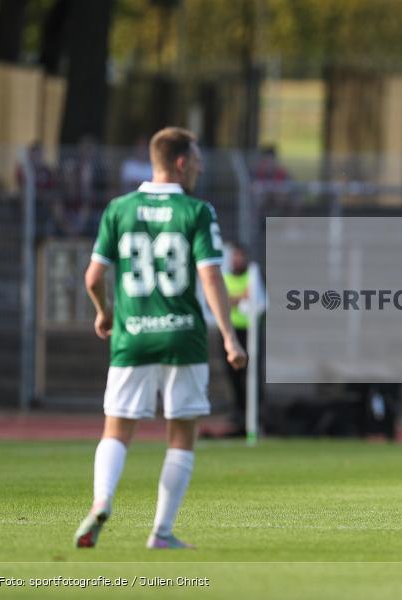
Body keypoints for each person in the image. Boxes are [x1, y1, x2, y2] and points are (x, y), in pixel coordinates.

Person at [74, 127, 247, 550]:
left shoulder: (119, 208)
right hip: (182, 339)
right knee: (182, 434)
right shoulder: (197, 211)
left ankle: (101, 501)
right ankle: (162, 532)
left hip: (131, 337)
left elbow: (94, 277)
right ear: (182, 163)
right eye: (199, 161)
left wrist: (105, 313)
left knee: (116, 429)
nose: (202, 168)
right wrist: (229, 336)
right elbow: (210, 276)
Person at [220, 242, 266, 436]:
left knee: (252, 376)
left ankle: (255, 418)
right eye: (234, 256)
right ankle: (238, 416)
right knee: (233, 377)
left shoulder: (253, 274)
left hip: (250, 332)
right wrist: (238, 298)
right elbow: (219, 299)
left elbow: (259, 301)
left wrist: (232, 299)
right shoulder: (224, 276)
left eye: (240, 256)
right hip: (230, 331)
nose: (237, 260)